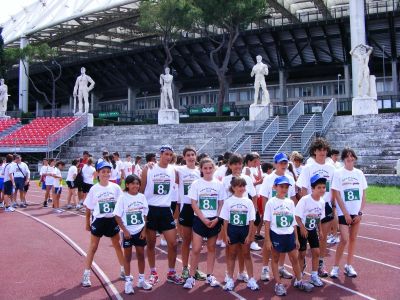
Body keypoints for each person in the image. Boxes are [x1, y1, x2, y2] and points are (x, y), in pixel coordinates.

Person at [140, 145, 184, 285]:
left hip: (165, 210)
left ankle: (171, 272)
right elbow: (141, 190)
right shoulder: (149, 168)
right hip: (150, 209)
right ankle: (153, 272)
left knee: (173, 243)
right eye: (166, 154)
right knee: (151, 243)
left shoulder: (173, 169)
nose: (168, 157)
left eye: (170, 154)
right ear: (160, 154)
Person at [264, 176, 314, 296]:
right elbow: (267, 222)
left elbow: (293, 222)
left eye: (286, 187)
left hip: (289, 235)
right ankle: (278, 284)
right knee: (275, 259)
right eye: (281, 186)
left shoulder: (290, 202)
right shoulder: (271, 203)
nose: (284, 189)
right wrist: (267, 240)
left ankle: (299, 281)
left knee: (294, 259)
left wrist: (296, 238)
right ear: (275, 187)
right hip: (276, 235)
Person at [183, 157, 226, 289]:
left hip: (214, 219)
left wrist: (217, 218)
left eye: (210, 168)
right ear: (201, 169)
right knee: (196, 249)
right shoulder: (196, 183)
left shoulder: (219, 184)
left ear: (214, 168)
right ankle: (191, 276)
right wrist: (203, 219)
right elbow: (194, 203)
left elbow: (221, 203)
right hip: (200, 219)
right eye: (205, 168)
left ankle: (209, 275)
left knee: (211, 248)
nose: (208, 170)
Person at [81, 161, 125, 287]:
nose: (106, 174)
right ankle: (86, 274)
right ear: (98, 173)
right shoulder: (94, 189)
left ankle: (123, 270)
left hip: (112, 221)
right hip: (99, 221)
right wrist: (87, 223)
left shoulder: (115, 187)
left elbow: (121, 203)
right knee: (93, 247)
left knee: (117, 245)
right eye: (103, 171)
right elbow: (88, 208)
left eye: (107, 171)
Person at [296, 138, 335, 278]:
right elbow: (303, 189)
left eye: (324, 150)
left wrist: (333, 207)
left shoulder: (332, 168)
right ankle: (303, 262)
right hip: (309, 208)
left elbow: (334, 189)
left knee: (322, 237)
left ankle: (320, 263)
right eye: (319, 150)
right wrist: (307, 205)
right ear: (314, 151)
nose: (322, 152)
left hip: (325, 206)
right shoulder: (308, 168)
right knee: (305, 238)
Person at [259, 153, 297, 282]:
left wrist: (294, 214)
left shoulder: (290, 178)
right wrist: (265, 216)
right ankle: (264, 268)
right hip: (272, 215)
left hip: (285, 214)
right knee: (267, 244)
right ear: (275, 164)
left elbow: (292, 197)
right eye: (280, 162)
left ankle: (281, 267)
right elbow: (264, 196)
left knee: (285, 242)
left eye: (285, 162)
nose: (283, 165)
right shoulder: (269, 178)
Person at [330, 148, 367, 279]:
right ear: (344, 159)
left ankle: (349, 265)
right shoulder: (339, 173)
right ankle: (335, 267)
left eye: (352, 156)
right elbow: (337, 194)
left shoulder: (359, 173)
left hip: (356, 212)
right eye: (347, 156)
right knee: (344, 239)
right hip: (343, 212)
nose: (350, 158)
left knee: (353, 239)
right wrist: (345, 212)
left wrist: (360, 213)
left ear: (355, 158)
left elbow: (363, 195)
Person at [222, 154, 259, 283]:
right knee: (230, 248)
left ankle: (242, 272)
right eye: (235, 164)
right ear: (230, 165)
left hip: (244, 216)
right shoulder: (225, 180)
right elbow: (222, 198)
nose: (238, 166)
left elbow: (253, 196)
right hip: (230, 217)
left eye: (239, 164)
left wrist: (253, 211)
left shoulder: (247, 178)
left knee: (244, 248)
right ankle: (229, 273)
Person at [114, 175, 153, 294]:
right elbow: (117, 215)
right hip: (128, 233)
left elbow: (145, 214)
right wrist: (125, 231)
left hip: (140, 230)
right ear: (127, 185)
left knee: (141, 255)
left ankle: (141, 279)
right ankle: (128, 282)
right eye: (133, 183)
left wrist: (144, 230)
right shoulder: (123, 198)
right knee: (128, 257)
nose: (135, 186)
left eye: (137, 183)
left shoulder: (142, 197)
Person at [295, 174, 326, 287]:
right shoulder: (305, 200)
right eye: (319, 187)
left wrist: (320, 231)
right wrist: (302, 228)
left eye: (323, 187)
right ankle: (299, 274)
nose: (322, 190)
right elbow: (297, 216)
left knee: (316, 252)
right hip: (302, 228)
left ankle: (314, 275)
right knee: (302, 253)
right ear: (312, 188)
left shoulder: (322, 202)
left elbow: (318, 218)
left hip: (312, 229)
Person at [176, 147, 202, 281]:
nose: (191, 157)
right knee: (186, 241)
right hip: (186, 208)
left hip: (198, 208)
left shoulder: (200, 171)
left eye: (193, 154)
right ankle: (185, 268)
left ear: (196, 156)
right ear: (184, 157)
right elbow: (164, 168)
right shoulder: (180, 170)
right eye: (188, 155)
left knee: (197, 242)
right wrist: (150, 164)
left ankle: (195, 269)